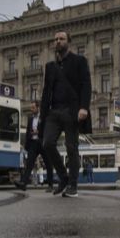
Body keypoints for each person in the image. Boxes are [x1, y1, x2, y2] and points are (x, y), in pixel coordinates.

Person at [39, 31, 91, 198]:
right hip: (54, 111)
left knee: (71, 147)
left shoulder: (79, 61)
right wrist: (43, 114)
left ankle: (73, 185)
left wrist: (84, 107)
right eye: (55, 39)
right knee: (47, 143)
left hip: (72, 110)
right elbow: (46, 92)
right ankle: (63, 176)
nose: (58, 42)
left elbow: (86, 85)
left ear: (69, 41)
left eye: (61, 39)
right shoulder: (50, 67)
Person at [14, 101, 54, 192]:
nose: (31, 109)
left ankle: (50, 185)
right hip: (33, 143)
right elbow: (28, 131)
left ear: (38, 108)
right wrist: (27, 145)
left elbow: (48, 129)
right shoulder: (30, 118)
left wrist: (38, 132)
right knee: (29, 164)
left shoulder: (44, 117)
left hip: (43, 143)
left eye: (33, 108)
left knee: (48, 163)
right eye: (31, 108)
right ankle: (23, 183)